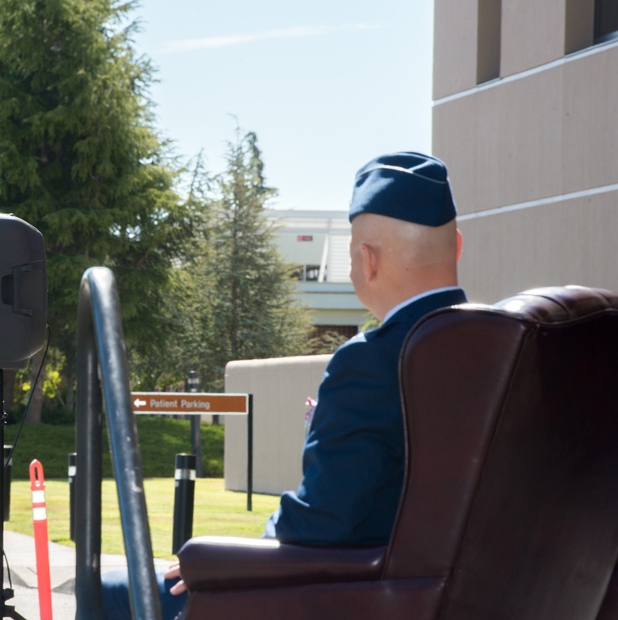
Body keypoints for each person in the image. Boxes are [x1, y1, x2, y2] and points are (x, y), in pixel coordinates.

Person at [101, 151, 467, 619]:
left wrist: (221, 566)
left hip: (347, 596)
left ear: (367, 260)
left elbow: (321, 521)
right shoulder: (503, 351)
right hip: (437, 594)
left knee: (108, 588)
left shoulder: (372, 363)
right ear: (456, 247)